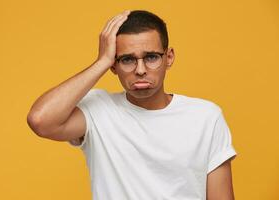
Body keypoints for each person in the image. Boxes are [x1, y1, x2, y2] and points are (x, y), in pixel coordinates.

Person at [27, 9, 237, 200]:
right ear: (113, 66)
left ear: (169, 57)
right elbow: (40, 120)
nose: (140, 70)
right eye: (127, 60)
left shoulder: (205, 117)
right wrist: (101, 62)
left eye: (151, 57)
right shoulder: (99, 110)